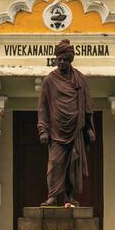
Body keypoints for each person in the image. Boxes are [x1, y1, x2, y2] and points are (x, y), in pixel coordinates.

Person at [37, 39, 95, 207]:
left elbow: (87, 105)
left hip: (76, 129)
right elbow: (43, 107)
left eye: (65, 59)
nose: (62, 62)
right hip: (56, 130)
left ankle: (70, 197)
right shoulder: (49, 81)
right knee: (55, 163)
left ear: (70, 60)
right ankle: (53, 196)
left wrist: (89, 128)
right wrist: (43, 129)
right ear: (56, 59)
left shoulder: (79, 79)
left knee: (73, 164)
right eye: (59, 59)